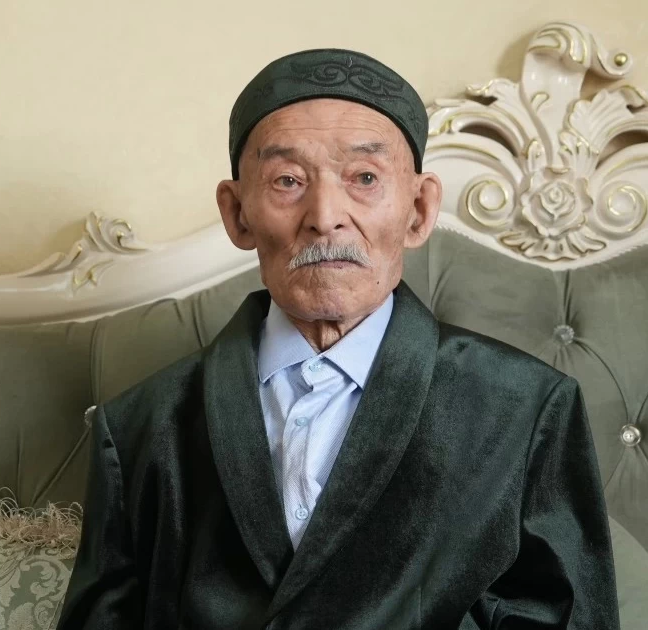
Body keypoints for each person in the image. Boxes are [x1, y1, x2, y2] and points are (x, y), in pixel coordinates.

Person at [58, 48, 618, 629]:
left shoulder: (526, 409)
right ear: (238, 214)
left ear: (419, 209)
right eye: (288, 181)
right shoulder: (141, 427)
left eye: (365, 178)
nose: (325, 215)